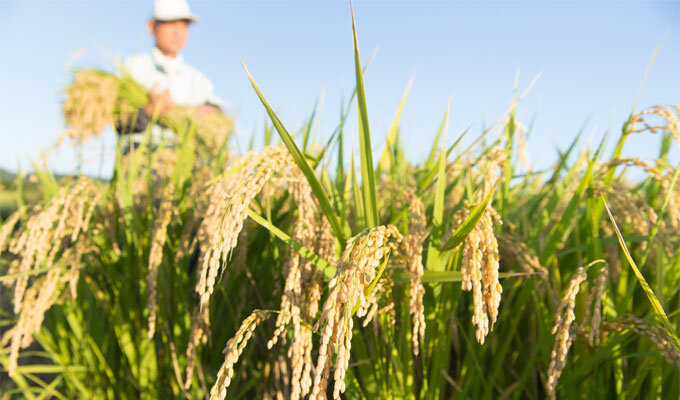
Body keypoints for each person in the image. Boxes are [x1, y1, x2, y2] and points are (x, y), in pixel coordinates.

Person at [116, 0, 223, 152]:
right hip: (138, 157)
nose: (178, 32)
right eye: (171, 24)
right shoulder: (131, 68)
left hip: (184, 160)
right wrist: (149, 110)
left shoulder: (198, 81)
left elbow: (219, 118)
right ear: (151, 26)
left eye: (183, 26)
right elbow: (117, 121)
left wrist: (195, 112)